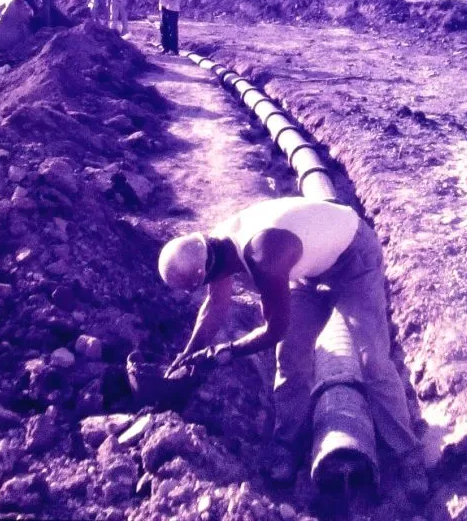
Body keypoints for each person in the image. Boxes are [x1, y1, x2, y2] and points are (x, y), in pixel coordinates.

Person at [158, 197, 428, 503]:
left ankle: (409, 455)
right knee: (290, 358)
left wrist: (227, 351)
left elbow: (276, 329)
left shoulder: (264, 256)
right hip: (307, 269)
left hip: (353, 258)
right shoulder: (214, 248)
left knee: (373, 361)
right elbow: (215, 304)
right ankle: (287, 445)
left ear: (203, 269)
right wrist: (189, 352)